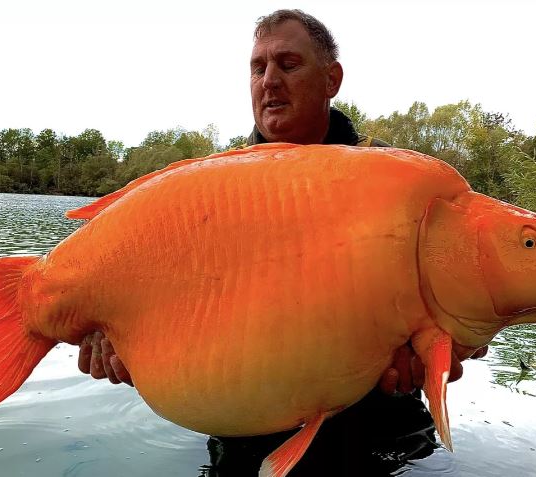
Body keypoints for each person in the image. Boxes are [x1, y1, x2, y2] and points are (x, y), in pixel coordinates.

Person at [78, 9, 487, 475]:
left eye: (288, 65)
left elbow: (467, 305)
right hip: (243, 441)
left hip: (383, 441)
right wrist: (121, 342)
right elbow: (179, 314)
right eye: (258, 68)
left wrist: (462, 340)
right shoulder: (207, 196)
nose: (269, 81)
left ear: (332, 79)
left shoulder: (403, 192)